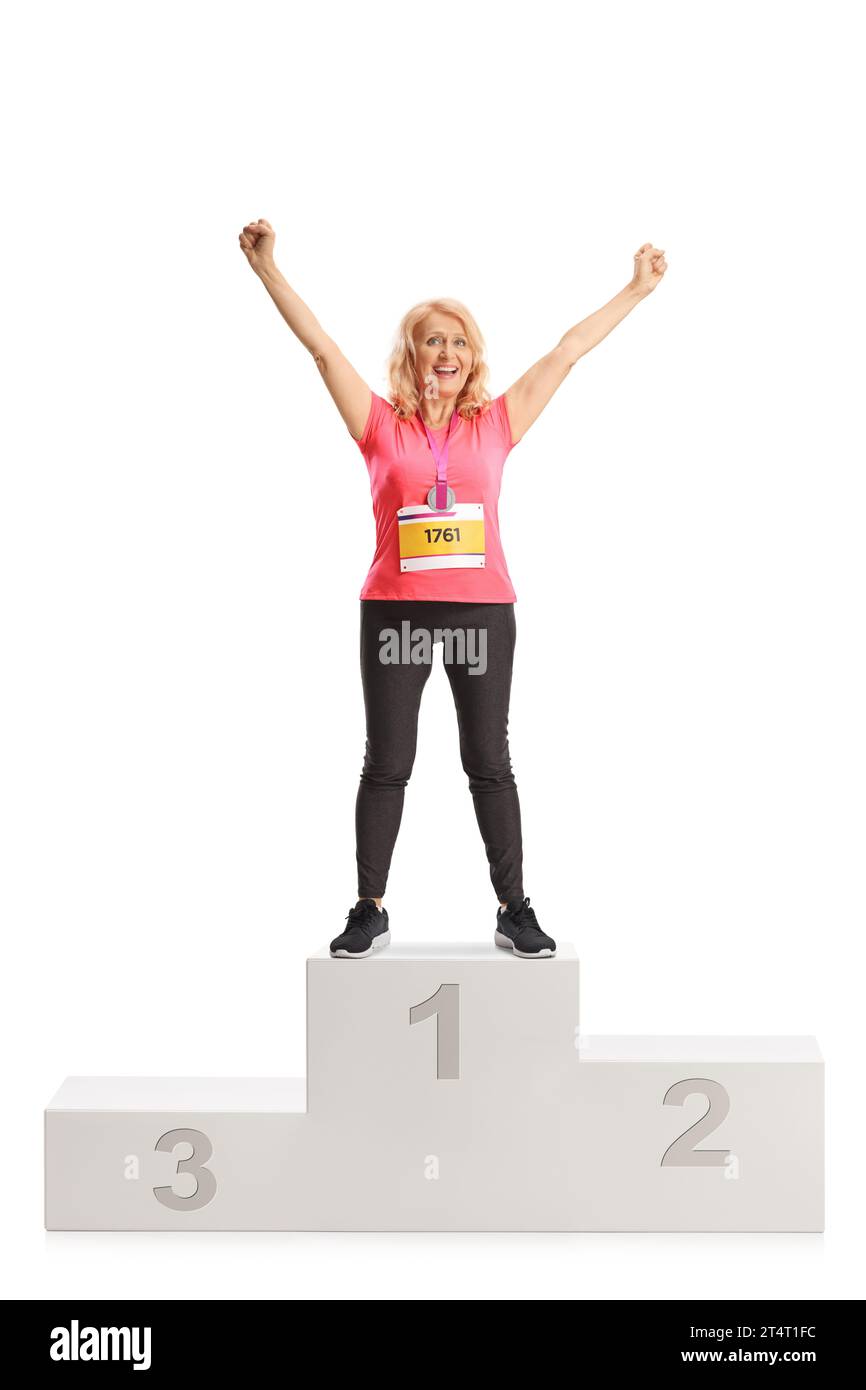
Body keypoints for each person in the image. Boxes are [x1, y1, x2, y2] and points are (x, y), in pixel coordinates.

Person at [239, 219, 667, 959]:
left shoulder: (496, 425)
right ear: (413, 353)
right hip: (395, 610)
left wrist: (634, 289)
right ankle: (369, 907)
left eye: (459, 341)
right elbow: (320, 348)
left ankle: (514, 907)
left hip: (480, 609)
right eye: (433, 339)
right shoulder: (378, 425)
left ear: (473, 359)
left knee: (488, 759)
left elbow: (566, 352)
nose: (447, 352)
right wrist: (266, 269)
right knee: (388, 759)